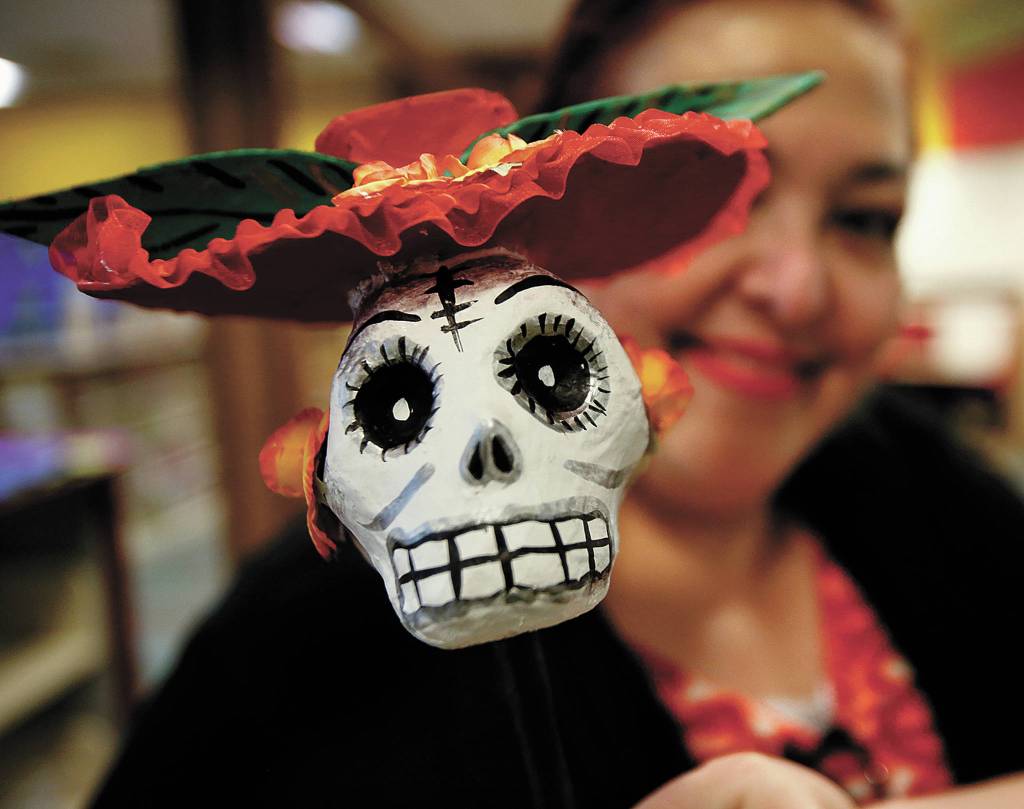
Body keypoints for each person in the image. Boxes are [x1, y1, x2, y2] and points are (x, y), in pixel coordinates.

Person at [87, 2, 1024, 808]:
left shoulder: (934, 490)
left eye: (865, 218)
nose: (799, 289)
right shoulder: (286, 661)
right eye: (717, 201)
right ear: (551, 223)